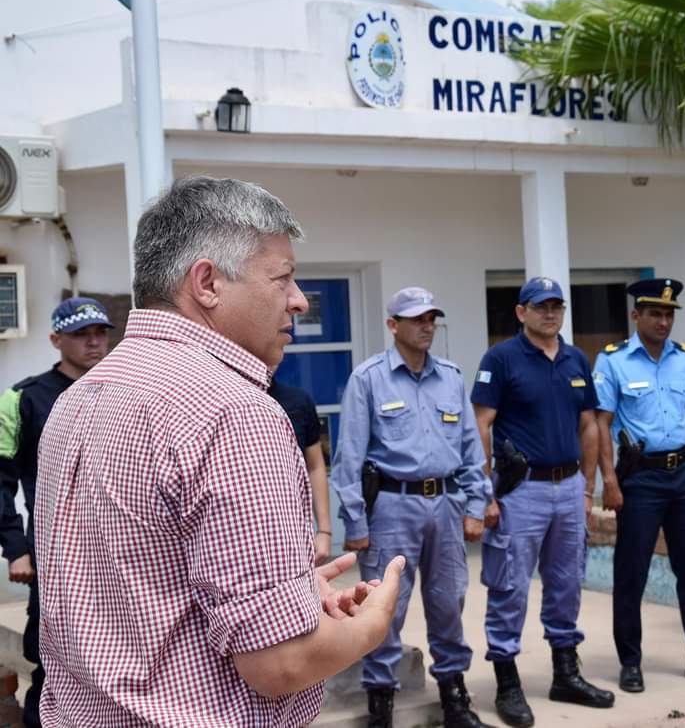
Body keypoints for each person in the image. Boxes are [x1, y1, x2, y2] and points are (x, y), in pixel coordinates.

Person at [33, 176, 403, 726]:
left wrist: (287, 599)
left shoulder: (81, 396)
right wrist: (373, 624)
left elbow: (138, 592)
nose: (299, 301)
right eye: (283, 278)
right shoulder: (234, 413)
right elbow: (281, 662)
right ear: (206, 282)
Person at [332, 286, 493, 728]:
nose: (427, 326)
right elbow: (348, 457)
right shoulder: (369, 378)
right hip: (391, 507)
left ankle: (454, 695)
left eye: (432, 318)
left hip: (444, 504)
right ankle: (380, 701)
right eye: (417, 318)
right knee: (385, 607)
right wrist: (356, 521)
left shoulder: (451, 377)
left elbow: (469, 447)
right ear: (393, 325)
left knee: (448, 602)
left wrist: (476, 505)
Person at [471, 276, 614, 728]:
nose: (550, 313)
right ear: (521, 312)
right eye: (540, 306)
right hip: (522, 491)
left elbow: (589, 425)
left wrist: (587, 487)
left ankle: (565, 674)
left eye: (557, 306)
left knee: (568, 581)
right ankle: (508, 683)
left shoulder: (575, 359)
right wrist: (485, 492)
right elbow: (480, 426)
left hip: (569, 487)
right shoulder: (501, 359)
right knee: (510, 585)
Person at [594, 278, 685, 694]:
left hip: (681, 476)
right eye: (655, 313)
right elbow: (601, 424)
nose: (663, 321)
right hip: (639, 478)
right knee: (631, 571)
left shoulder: (682, 360)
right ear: (636, 315)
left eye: (669, 314)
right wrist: (609, 480)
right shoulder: (613, 361)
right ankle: (631, 661)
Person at [0, 297, 113, 727]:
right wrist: (16, 549)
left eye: (100, 333)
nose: (93, 343)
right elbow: (1, 479)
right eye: (81, 335)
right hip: (54, 560)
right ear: (55, 339)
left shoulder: (123, 391)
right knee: (51, 666)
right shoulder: (23, 399)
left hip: (118, 555)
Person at [268, 374, 332, 564]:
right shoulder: (228, 396)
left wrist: (324, 530)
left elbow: (315, 466)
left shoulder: (297, 400)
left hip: (294, 528)